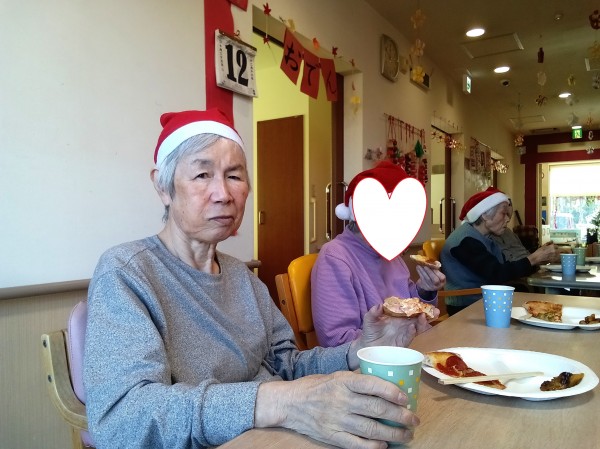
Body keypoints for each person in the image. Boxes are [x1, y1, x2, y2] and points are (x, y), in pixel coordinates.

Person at [83, 109, 427, 449]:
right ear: (163, 185)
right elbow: (122, 420)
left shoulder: (242, 277)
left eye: (234, 176)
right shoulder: (127, 272)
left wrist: (360, 349)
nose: (223, 194)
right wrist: (279, 401)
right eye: (202, 175)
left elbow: (286, 365)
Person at [311, 161, 446, 347]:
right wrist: (397, 331)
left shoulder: (391, 253)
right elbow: (336, 340)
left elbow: (412, 306)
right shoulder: (334, 258)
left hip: (412, 346)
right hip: (373, 360)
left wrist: (426, 289)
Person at [440, 187, 559, 315]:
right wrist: (534, 258)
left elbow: (506, 267)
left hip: (487, 299)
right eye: (503, 213)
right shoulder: (465, 241)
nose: (508, 219)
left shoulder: (484, 238)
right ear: (485, 215)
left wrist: (540, 259)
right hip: (467, 305)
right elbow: (497, 274)